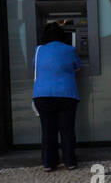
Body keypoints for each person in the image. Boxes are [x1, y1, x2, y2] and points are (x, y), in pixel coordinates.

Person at [32, 21, 81, 171]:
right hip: (66, 95)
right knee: (67, 129)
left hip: (43, 95)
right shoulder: (70, 49)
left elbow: (36, 66)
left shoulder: (38, 50)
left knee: (48, 130)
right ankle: (70, 162)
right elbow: (77, 67)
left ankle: (49, 163)